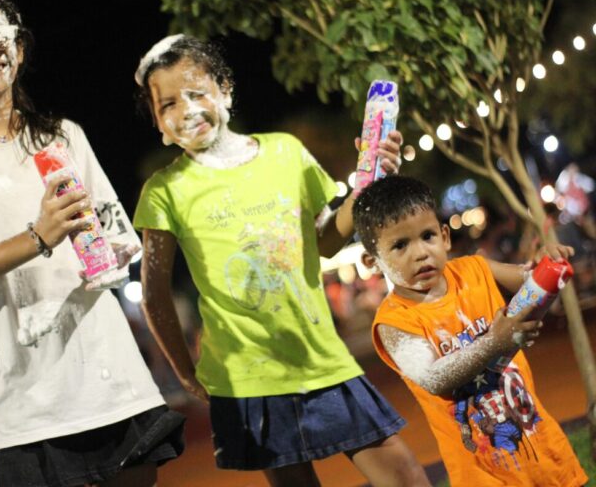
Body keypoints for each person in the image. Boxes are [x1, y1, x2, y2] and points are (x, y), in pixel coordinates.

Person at [0, 0, 184, 487]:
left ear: (20, 49)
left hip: (111, 384)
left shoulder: (63, 137)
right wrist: (37, 237)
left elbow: (116, 246)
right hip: (24, 412)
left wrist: (104, 249)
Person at [132, 34, 429, 487]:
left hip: (322, 359)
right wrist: (185, 374)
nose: (186, 109)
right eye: (168, 103)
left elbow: (326, 241)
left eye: (196, 92)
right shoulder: (164, 191)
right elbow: (153, 295)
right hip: (248, 382)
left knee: (405, 475)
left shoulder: (286, 152)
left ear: (225, 90)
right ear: (156, 122)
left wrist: (368, 182)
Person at [353, 175, 587, 486]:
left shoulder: (473, 269)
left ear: (445, 236)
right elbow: (433, 378)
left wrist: (546, 266)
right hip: (483, 472)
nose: (420, 252)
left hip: (543, 449)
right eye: (400, 245)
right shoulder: (395, 322)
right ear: (372, 261)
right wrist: (496, 342)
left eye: (427, 236)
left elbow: (528, 282)